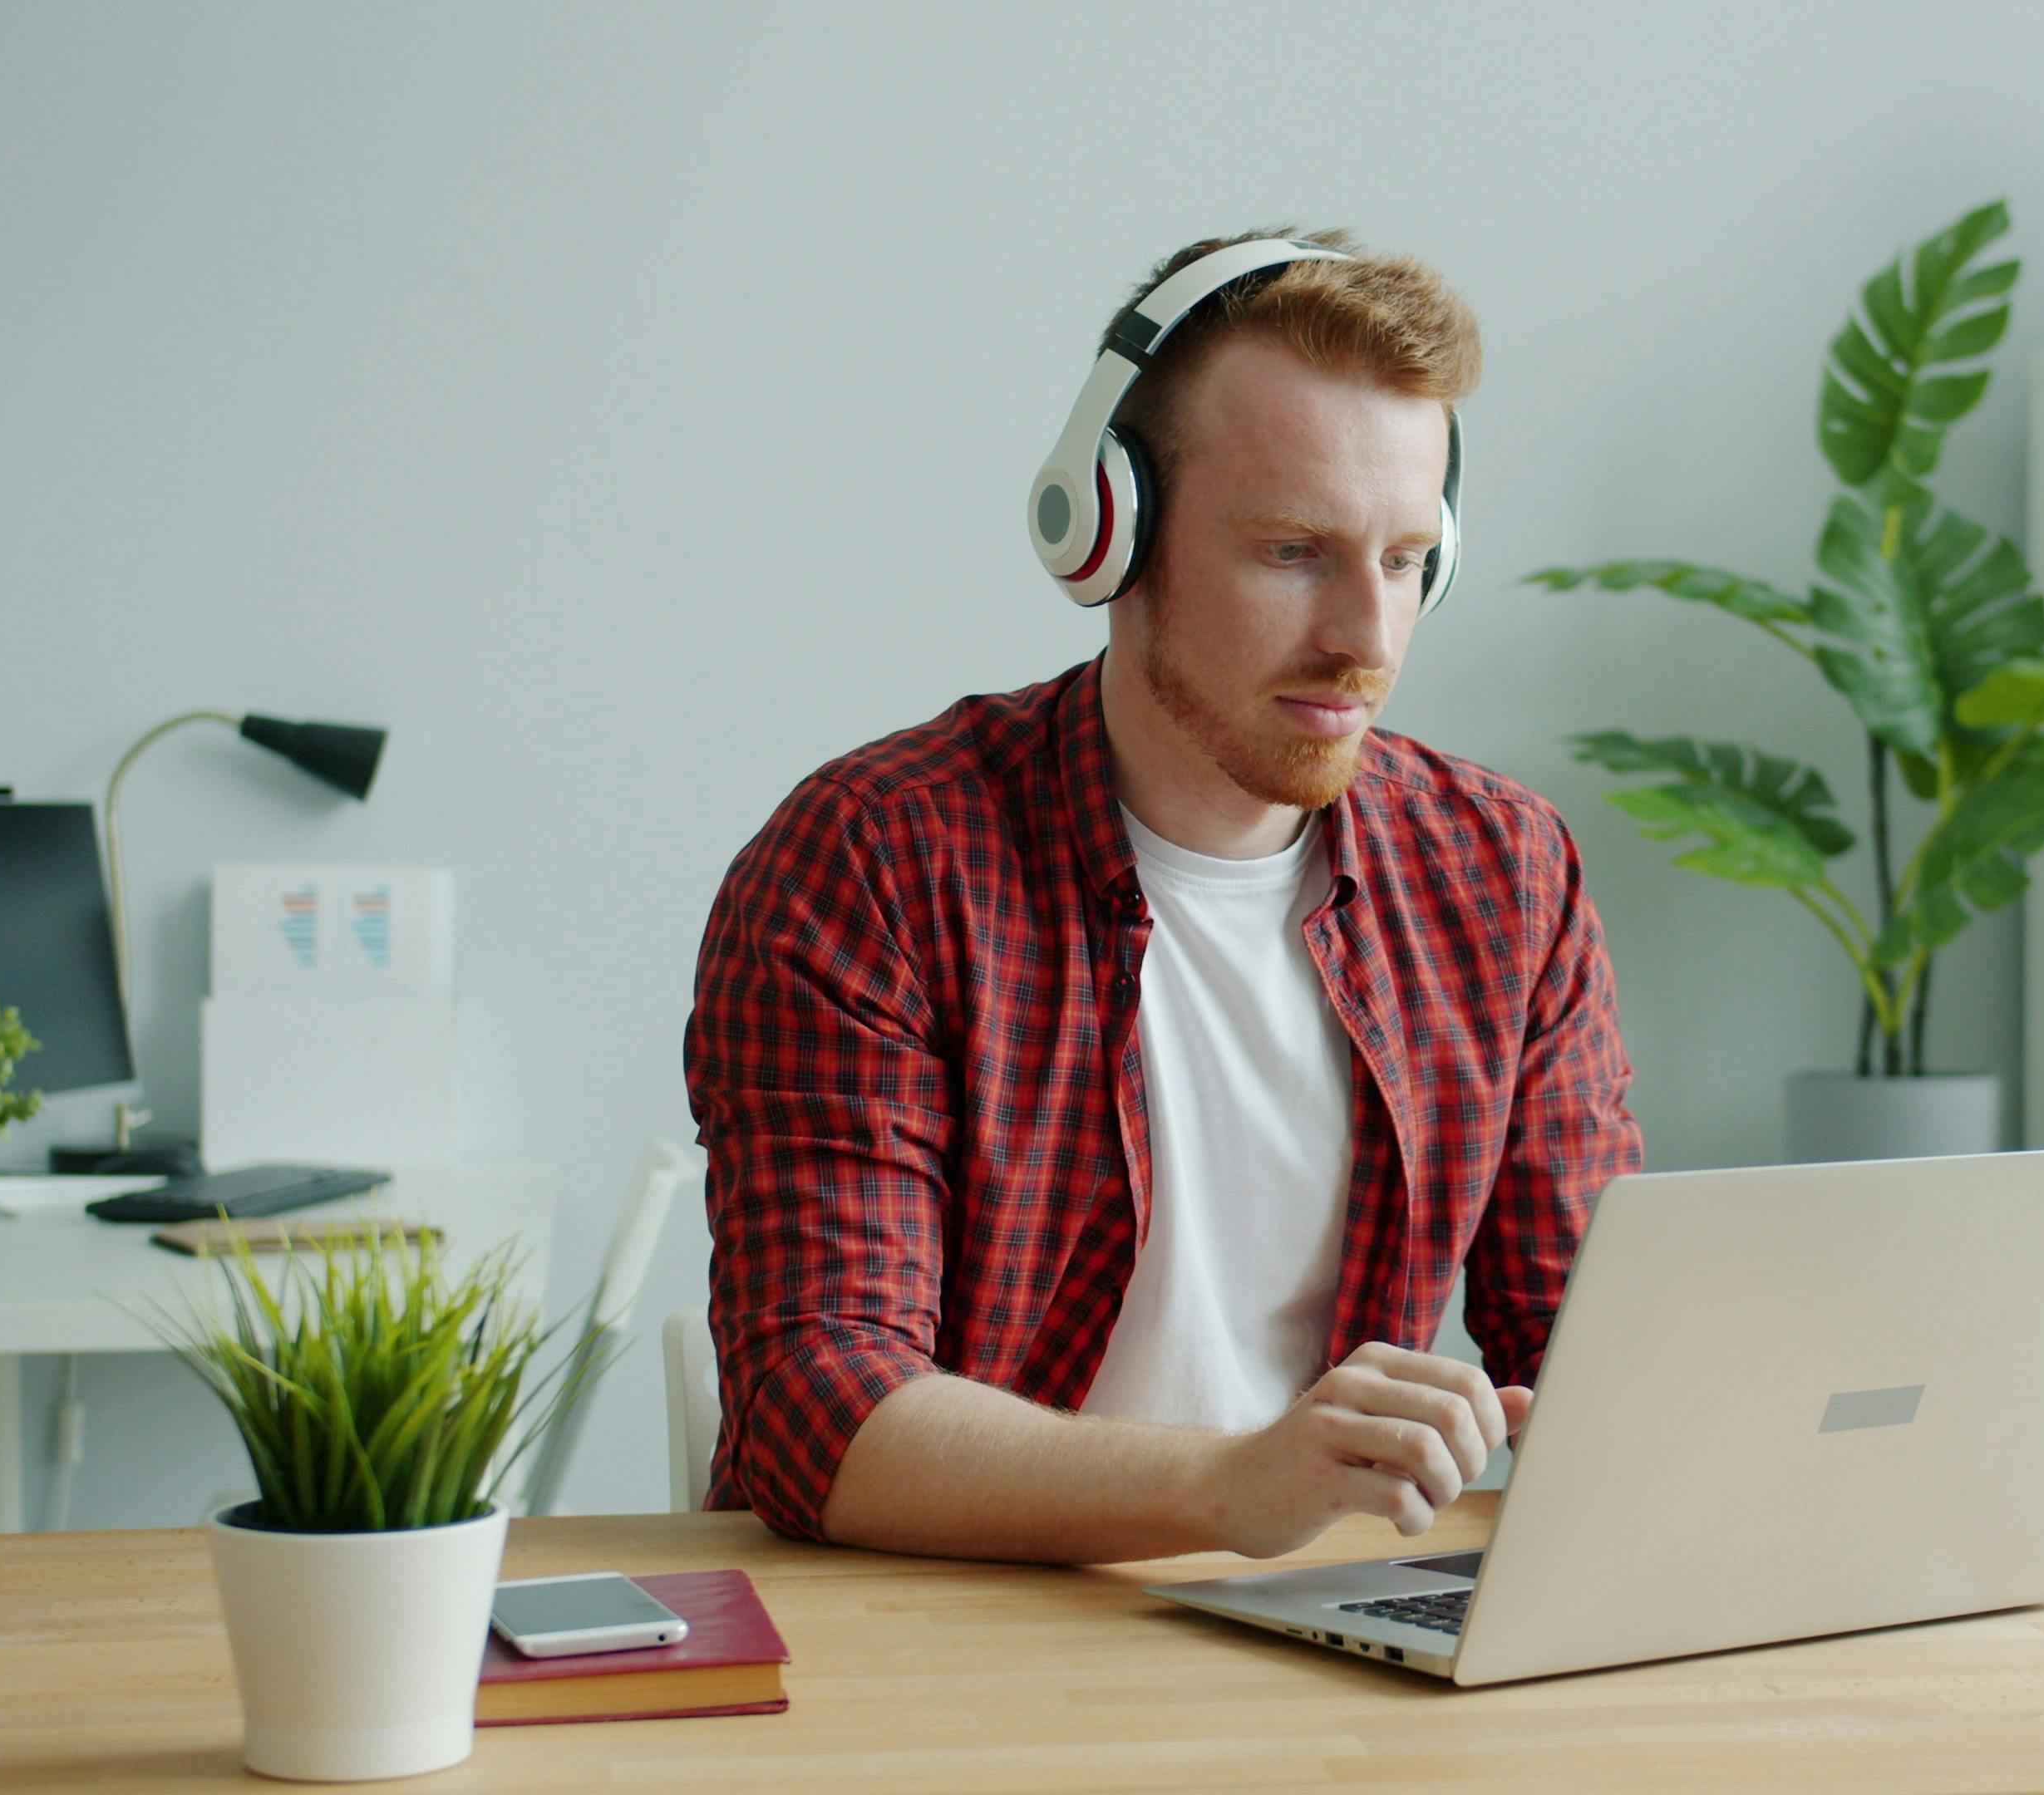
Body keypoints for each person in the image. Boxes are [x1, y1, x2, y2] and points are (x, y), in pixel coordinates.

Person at [685, 227, 1643, 1565]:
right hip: (960, 1639)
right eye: (1295, 551)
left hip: (1332, 1637)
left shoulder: (1503, 874)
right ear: (1107, 532)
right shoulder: (875, 861)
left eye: (1408, 559)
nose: (1367, 638)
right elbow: (816, 1405)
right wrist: (1225, 1487)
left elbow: (1600, 1347)